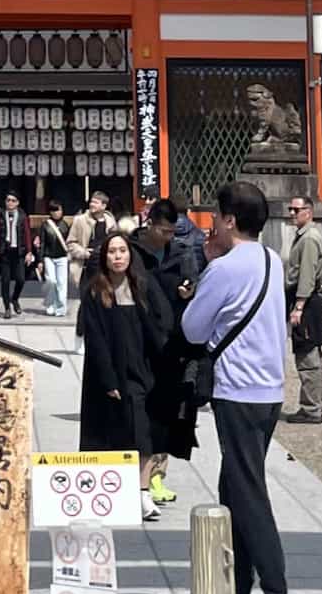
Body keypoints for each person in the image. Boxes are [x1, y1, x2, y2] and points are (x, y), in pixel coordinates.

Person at [181, 180, 294, 594]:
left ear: (229, 220)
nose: (211, 226)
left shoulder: (226, 269)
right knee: (235, 485)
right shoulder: (271, 259)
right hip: (268, 388)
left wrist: (206, 271)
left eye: (216, 218)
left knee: (248, 492)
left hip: (239, 388)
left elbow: (193, 328)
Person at [75, 225, 170, 459]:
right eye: (112, 252)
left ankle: (144, 488)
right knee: (112, 435)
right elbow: (96, 340)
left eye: (122, 251)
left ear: (130, 254)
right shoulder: (96, 292)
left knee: (144, 433)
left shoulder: (143, 285)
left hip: (143, 368)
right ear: (104, 257)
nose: (118, 257)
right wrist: (109, 379)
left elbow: (162, 323)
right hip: (113, 371)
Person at [137, 199, 205, 506]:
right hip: (140, 337)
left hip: (172, 340)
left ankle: (156, 477)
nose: (168, 237)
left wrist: (189, 288)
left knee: (167, 414)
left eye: (171, 232)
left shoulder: (181, 252)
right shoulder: (133, 251)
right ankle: (136, 477)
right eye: (163, 231)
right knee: (141, 414)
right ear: (150, 224)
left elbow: (194, 281)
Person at [284, 192, 322, 423]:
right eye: (290, 209)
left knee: (307, 355)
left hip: (307, 300)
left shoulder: (309, 238)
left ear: (308, 212)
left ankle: (312, 407)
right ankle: (318, 405)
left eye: (296, 209)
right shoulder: (304, 236)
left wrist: (299, 306)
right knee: (313, 354)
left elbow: (306, 275)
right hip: (307, 298)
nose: (292, 213)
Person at [0, 193, 30, 316]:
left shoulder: (22, 216)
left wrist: (29, 251)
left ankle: (14, 299)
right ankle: (7, 308)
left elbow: (27, 234)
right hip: (5, 251)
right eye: (8, 200)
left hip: (18, 251)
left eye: (13, 200)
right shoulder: (0, 215)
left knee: (21, 279)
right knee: (5, 281)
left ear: (17, 203)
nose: (10, 203)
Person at [34, 199, 70, 318]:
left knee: (62, 283)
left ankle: (61, 307)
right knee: (51, 281)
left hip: (62, 257)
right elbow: (42, 243)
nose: (56, 213)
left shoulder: (65, 225)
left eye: (58, 210)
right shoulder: (45, 225)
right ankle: (50, 304)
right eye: (53, 210)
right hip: (49, 256)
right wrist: (40, 260)